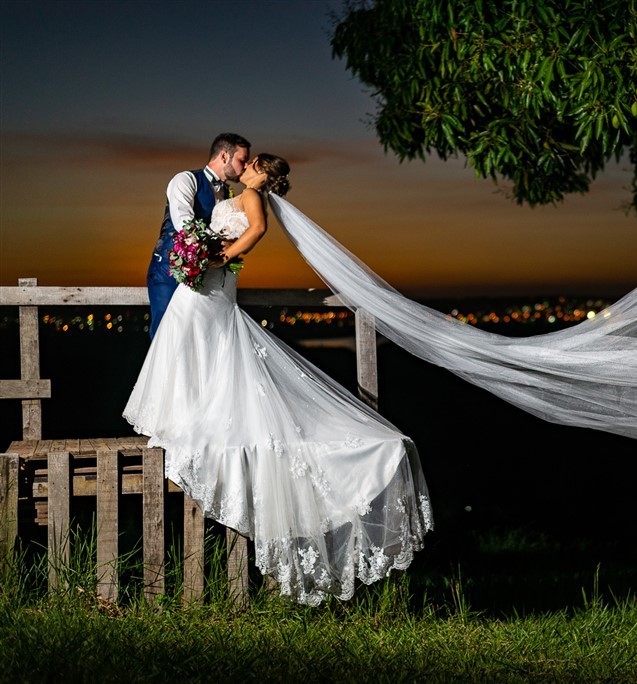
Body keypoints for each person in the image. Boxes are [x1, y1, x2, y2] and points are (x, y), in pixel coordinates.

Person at [125, 154, 433, 605]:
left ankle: (189, 414)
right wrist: (206, 255)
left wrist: (220, 256)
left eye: (251, 163)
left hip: (215, 280)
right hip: (207, 284)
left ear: (260, 172)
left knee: (211, 345)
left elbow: (256, 231)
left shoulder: (252, 195)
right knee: (198, 345)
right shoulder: (238, 193)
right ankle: (186, 409)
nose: (244, 166)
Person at [147, 133, 251, 338]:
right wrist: (222, 242)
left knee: (199, 340)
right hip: (169, 272)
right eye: (242, 160)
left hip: (206, 279)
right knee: (166, 337)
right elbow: (184, 225)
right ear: (224, 156)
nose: (246, 166)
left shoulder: (228, 195)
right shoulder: (186, 180)